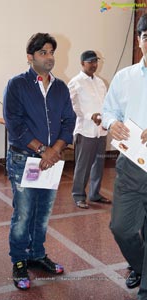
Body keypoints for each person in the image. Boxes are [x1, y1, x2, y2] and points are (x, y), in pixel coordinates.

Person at [3, 32, 76, 290]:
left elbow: (69, 122)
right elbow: (16, 125)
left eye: (51, 52)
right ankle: (20, 260)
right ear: (30, 57)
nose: (49, 57)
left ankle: (36, 254)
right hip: (25, 160)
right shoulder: (17, 85)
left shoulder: (60, 87)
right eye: (43, 52)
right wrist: (44, 150)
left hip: (50, 162)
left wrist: (54, 150)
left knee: (42, 213)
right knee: (23, 213)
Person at [102, 13, 147, 300]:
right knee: (121, 227)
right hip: (131, 164)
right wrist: (111, 123)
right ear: (140, 40)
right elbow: (109, 110)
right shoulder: (124, 76)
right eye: (146, 37)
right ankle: (140, 265)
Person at [68, 50, 111, 209]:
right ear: (82, 63)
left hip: (101, 130)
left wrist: (107, 119)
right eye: (90, 62)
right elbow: (72, 106)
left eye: (95, 61)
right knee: (83, 165)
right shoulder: (75, 82)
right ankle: (78, 195)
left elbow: (107, 104)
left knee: (99, 164)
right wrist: (88, 116)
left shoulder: (100, 82)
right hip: (85, 130)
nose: (94, 65)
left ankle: (95, 194)